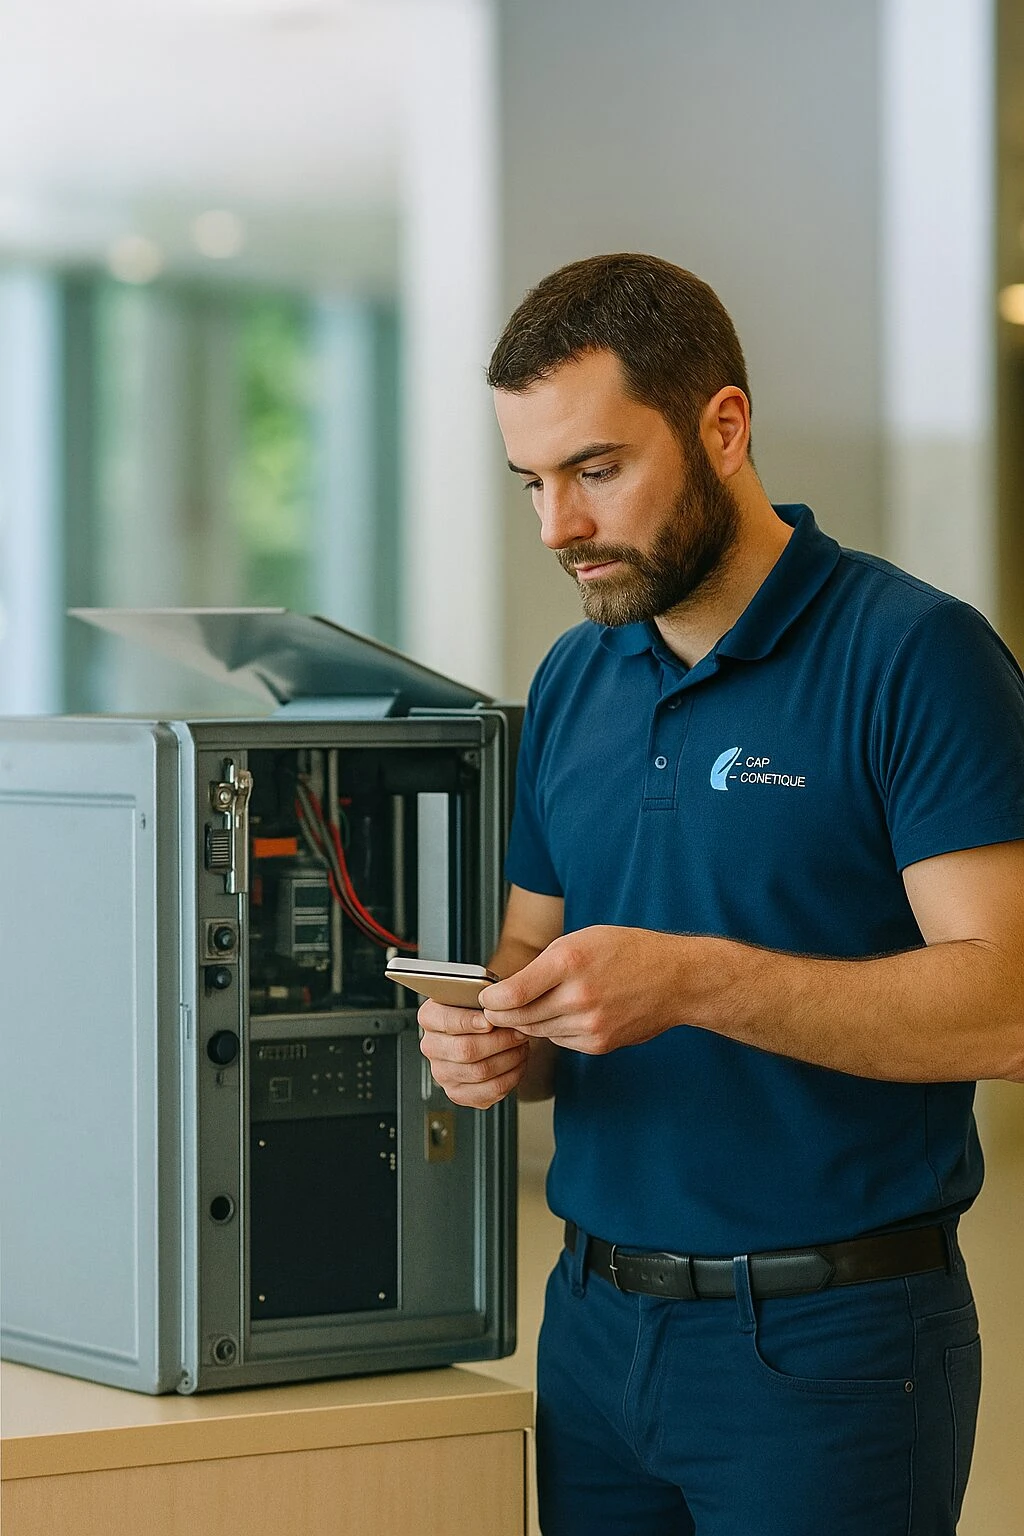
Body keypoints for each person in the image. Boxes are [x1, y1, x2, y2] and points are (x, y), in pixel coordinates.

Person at [417, 253, 1024, 1536]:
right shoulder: (575, 679)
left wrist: (694, 979)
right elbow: (530, 953)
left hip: (830, 1347)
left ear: (723, 428)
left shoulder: (914, 656)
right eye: (530, 482)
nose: (556, 528)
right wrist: (489, 1039)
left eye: (594, 470)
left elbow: (1007, 1002)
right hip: (586, 1325)